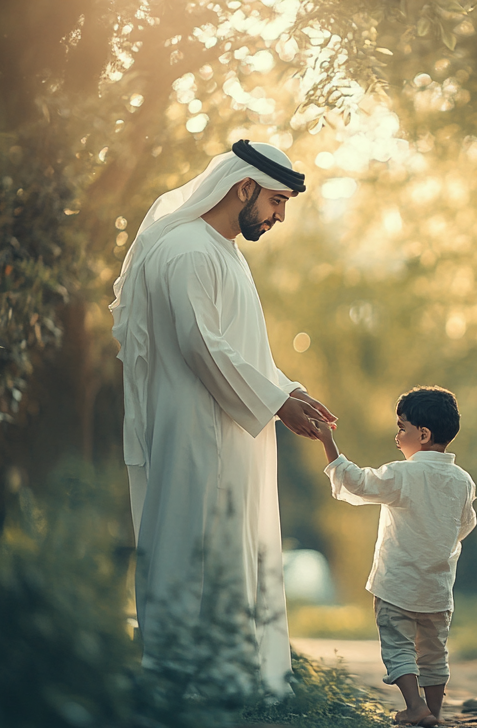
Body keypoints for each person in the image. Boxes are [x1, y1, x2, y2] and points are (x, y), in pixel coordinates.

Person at [109, 140, 335, 697]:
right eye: (278, 201)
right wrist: (276, 403)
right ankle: (181, 687)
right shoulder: (188, 250)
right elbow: (200, 346)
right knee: (190, 548)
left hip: (225, 425)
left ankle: (228, 682)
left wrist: (290, 393)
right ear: (244, 187)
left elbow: (241, 349)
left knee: (225, 546)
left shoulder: (221, 250)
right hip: (194, 429)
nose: (280, 215)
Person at [311, 387, 477, 727]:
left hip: (397, 583)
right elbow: (465, 525)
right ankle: (435, 711)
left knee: (399, 646)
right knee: (434, 653)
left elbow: (356, 482)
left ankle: (414, 706)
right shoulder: (463, 481)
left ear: (424, 434)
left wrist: (328, 441)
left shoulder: (403, 474)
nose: (397, 436)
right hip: (437, 589)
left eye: (402, 427)